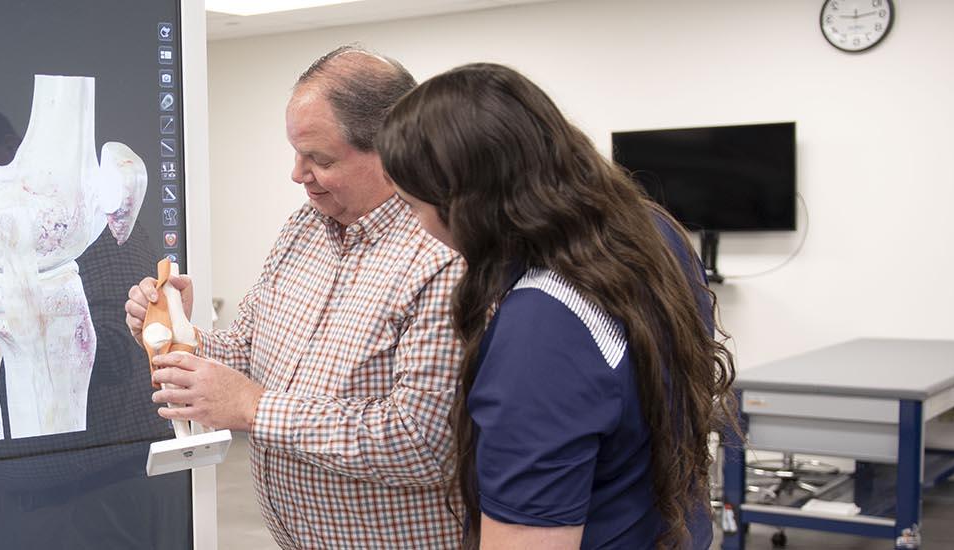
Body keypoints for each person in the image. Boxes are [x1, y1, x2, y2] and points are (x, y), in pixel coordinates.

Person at [374, 62, 736, 549]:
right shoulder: (651, 232)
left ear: (468, 202)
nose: (420, 228)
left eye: (414, 206)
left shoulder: (541, 330)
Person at [126, 45, 468, 548]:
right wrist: (179, 335)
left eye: (319, 158)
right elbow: (249, 351)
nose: (296, 173)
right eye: (295, 152)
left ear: (395, 150)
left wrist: (253, 408)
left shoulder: (443, 254)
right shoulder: (304, 229)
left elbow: (422, 441)